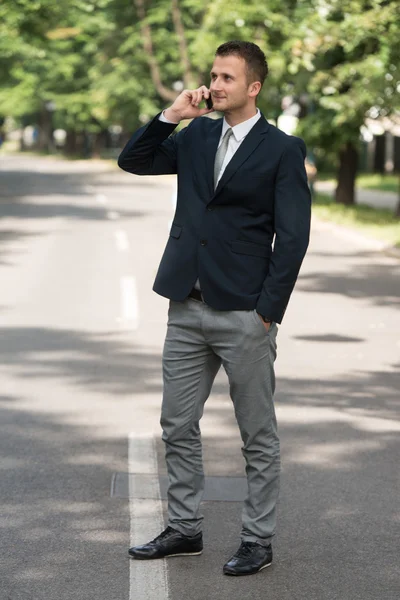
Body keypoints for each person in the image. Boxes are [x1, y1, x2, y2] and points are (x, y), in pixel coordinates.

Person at [118, 40, 311, 576]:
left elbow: (293, 238)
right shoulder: (197, 133)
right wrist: (171, 116)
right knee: (177, 424)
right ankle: (184, 529)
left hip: (244, 313)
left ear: (254, 87)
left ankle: (257, 539)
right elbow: (133, 160)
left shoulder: (281, 149)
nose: (216, 84)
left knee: (257, 435)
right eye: (213, 75)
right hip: (187, 305)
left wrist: (267, 310)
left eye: (227, 77)